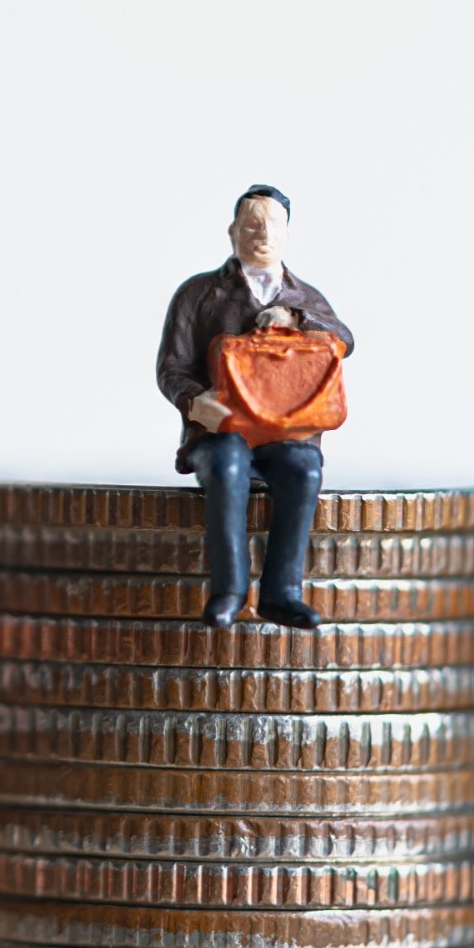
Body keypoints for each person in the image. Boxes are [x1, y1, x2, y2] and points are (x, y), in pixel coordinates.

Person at [155, 185, 354, 629]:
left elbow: (346, 339)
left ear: (286, 236)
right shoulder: (199, 294)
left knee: (304, 470)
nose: (261, 234)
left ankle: (282, 592)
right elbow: (172, 368)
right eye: (251, 225)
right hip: (222, 429)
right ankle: (229, 590)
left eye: (272, 227)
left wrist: (297, 319)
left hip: (287, 429)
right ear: (232, 232)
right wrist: (194, 402)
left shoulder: (305, 298)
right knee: (227, 466)